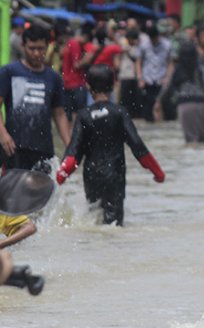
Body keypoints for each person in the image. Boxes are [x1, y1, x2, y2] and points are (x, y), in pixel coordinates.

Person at [56, 65, 165, 226]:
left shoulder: (83, 115)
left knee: (94, 218)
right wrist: (158, 173)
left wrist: (58, 178)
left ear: (88, 87)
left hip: (92, 175)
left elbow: (73, 154)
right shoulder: (120, 113)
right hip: (114, 174)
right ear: (113, 85)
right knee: (114, 223)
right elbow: (137, 146)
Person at [0, 24, 71, 173]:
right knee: (13, 193)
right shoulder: (9, 72)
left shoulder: (54, 78)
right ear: (23, 45)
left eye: (41, 48)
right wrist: (3, 134)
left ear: (47, 47)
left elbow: (59, 114)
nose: (37, 53)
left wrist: (69, 146)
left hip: (44, 148)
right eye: (32, 48)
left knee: (42, 193)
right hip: (13, 147)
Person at [155, 41, 204, 144]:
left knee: (191, 141)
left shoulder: (177, 70)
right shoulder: (199, 68)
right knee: (202, 141)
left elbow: (167, 86)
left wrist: (158, 101)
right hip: (200, 104)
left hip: (184, 105)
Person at [136, 25, 173, 122]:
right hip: (148, 79)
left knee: (162, 107)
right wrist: (140, 78)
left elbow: (171, 63)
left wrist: (168, 77)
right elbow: (138, 62)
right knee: (148, 110)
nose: (153, 40)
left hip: (162, 79)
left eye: (155, 38)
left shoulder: (167, 45)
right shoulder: (144, 45)